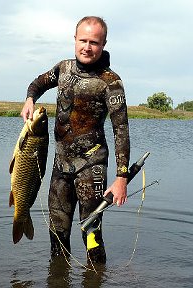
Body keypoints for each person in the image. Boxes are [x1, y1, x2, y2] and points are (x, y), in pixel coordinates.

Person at [21, 16, 130, 264]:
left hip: (92, 166)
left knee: (90, 231)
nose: (87, 47)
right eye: (83, 40)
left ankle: (97, 277)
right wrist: (30, 100)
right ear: (75, 39)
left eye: (94, 42)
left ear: (103, 44)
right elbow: (36, 84)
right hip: (61, 166)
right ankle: (58, 278)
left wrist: (121, 177)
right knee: (57, 233)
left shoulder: (111, 83)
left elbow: (121, 130)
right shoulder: (63, 69)